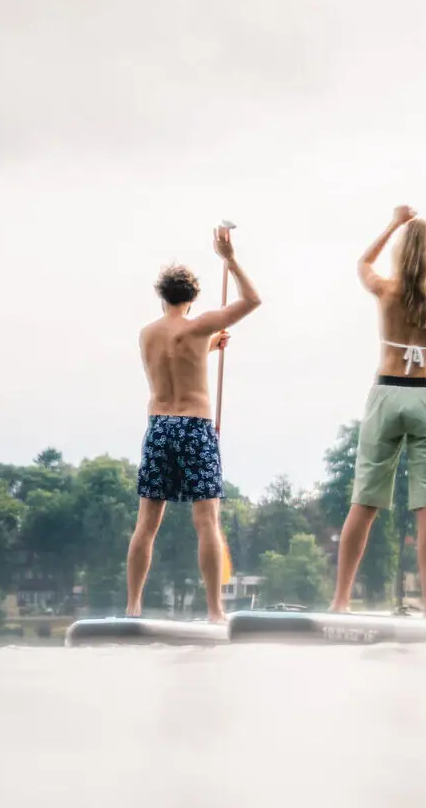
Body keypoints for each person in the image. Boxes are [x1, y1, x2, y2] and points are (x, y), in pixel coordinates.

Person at [328, 205, 426, 617]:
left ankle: (340, 602)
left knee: (365, 501)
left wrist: (392, 223)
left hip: (387, 394)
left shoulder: (385, 291)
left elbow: (362, 262)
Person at [126, 224, 262, 623]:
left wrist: (208, 347)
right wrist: (230, 260)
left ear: (160, 295)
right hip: (194, 428)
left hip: (158, 427)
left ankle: (133, 606)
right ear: (193, 297)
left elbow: (176, 361)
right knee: (207, 521)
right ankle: (216, 612)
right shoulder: (199, 326)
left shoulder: (147, 334)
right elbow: (253, 300)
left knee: (146, 524)